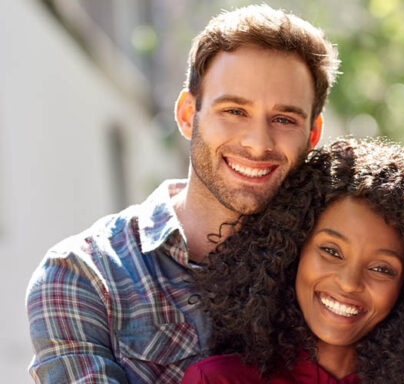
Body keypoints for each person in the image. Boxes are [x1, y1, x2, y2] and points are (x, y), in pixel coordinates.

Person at [26, 5, 339, 383]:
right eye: (234, 111)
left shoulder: (337, 267)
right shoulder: (86, 276)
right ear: (189, 115)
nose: (258, 144)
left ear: (314, 134)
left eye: (284, 119)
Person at [181, 138, 404, 383]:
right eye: (331, 251)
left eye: (382, 269)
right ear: (292, 250)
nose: (350, 282)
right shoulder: (217, 380)